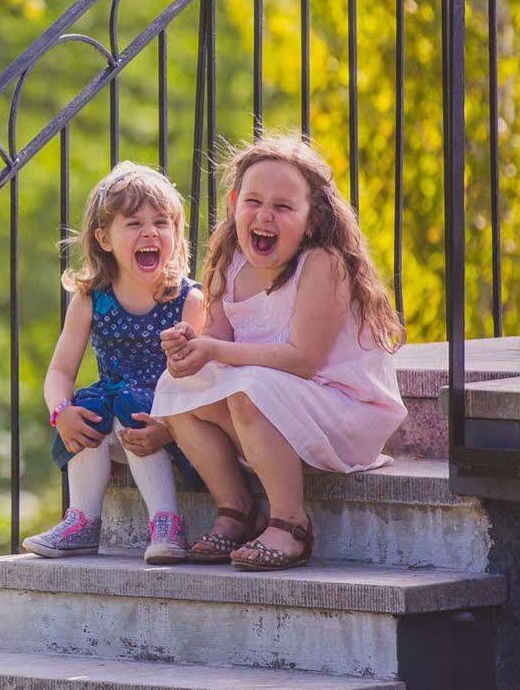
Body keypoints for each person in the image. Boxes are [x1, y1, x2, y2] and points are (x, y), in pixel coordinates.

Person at [150, 133, 406, 572]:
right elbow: (216, 336)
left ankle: (291, 524)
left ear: (310, 220)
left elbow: (303, 360)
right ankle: (237, 508)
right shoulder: (230, 260)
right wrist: (190, 350)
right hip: (279, 404)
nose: (264, 216)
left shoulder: (323, 263)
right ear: (234, 204)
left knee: (249, 389)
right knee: (178, 385)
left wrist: (217, 350)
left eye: (283, 207)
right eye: (253, 202)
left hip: (344, 408)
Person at [22, 162, 206, 563]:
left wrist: (171, 426)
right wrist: (61, 412)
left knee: (129, 409)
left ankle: (167, 523)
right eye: (134, 223)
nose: (150, 232)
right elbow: (59, 371)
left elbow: (202, 380)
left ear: (176, 234)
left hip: (169, 424)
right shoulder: (91, 300)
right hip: (116, 424)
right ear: (104, 238)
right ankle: (82, 522)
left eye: (162, 222)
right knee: (90, 409)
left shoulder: (188, 302)